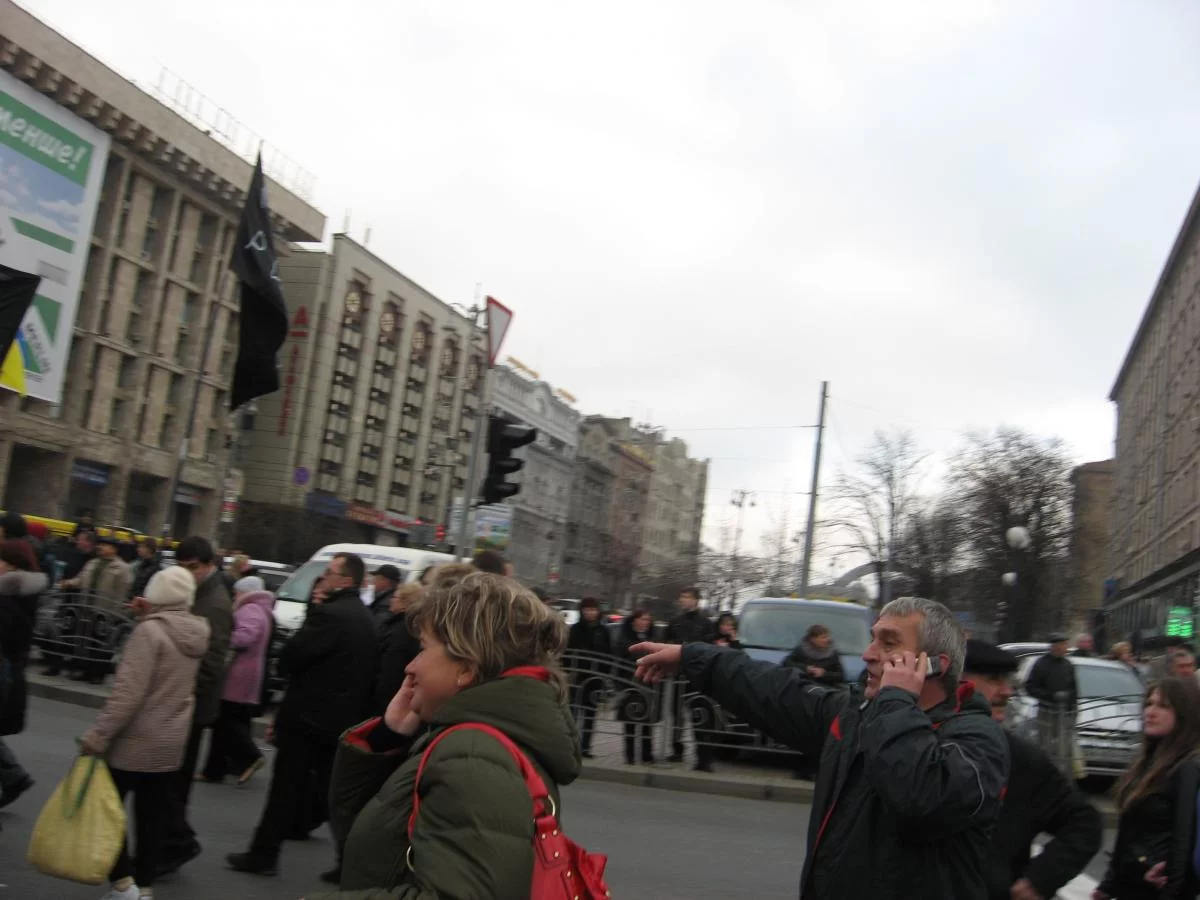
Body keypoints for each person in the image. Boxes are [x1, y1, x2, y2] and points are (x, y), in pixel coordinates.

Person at [634, 596, 1010, 900]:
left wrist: (897, 699)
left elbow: (919, 794)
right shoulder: (855, 716)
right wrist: (692, 657)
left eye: (889, 643)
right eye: (873, 639)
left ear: (935, 665)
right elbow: (774, 690)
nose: (868, 654)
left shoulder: (977, 741)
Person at [308, 572, 580, 899]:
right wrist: (388, 737)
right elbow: (375, 848)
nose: (411, 666)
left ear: (466, 669)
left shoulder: (473, 757)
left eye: (423, 648)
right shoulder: (476, 741)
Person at [227, 551, 378, 883]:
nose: (323, 578)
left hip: (307, 718)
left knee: (286, 787)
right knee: (332, 792)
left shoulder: (330, 615)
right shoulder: (365, 618)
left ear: (346, 580)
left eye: (330, 572)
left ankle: (264, 853)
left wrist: (313, 611)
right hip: (337, 720)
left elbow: (292, 657)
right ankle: (351, 859)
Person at [79, 566, 210, 900]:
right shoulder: (196, 632)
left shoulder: (149, 633)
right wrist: (147, 615)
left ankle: (123, 883)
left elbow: (128, 693)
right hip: (170, 738)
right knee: (152, 818)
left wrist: (99, 735)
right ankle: (145, 885)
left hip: (134, 738)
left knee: (105, 809)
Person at [962, 639, 1102, 900]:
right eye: (993, 679)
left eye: (1006, 681)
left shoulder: (1021, 759)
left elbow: (1084, 822)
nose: (1007, 691)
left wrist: (1040, 880)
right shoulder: (912, 748)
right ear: (957, 683)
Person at [157, 535, 233, 876]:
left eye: (192, 567)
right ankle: (172, 841)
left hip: (191, 705)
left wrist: (181, 694)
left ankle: (176, 842)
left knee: (174, 780)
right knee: (169, 777)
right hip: (183, 702)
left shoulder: (214, 602)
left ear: (208, 565)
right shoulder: (198, 592)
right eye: (182, 567)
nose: (187, 573)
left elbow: (212, 663)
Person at [1095, 677, 1200, 900]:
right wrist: (1108, 884)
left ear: (1183, 714)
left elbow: (1183, 838)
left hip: (1157, 889)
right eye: (1149, 704)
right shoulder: (1146, 762)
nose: (1150, 712)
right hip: (1129, 885)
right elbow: (1128, 831)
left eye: (1163, 706)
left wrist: (1172, 890)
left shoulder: (1187, 767)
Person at [199, 576, 273, 785]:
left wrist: (222, 638)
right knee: (233, 719)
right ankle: (221, 767)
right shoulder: (261, 609)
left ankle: (249, 756)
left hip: (237, 673)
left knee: (226, 719)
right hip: (246, 673)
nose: (234, 596)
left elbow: (245, 637)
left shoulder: (250, 609)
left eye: (237, 592)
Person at [0, 540, 48, 811]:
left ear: (11, 565)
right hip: (12, 670)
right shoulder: (25, 594)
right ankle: (14, 776)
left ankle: (14, 776)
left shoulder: (7, 597)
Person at [665, 587, 716, 771]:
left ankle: (703, 758)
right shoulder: (675, 622)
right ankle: (677, 749)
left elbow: (710, 648)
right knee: (676, 715)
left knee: (700, 715)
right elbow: (666, 644)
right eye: (682, 597)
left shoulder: (705, 623)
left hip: (697, 676)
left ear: (696, 600)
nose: (683, 600)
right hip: (678, 675)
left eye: (687, 597)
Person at [565, 597, 612, 759]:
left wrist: (604, 674)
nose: (590, 613)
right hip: (577, 675)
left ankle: (585, 747)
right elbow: (567, 651)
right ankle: (570, 746)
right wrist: (568, 670)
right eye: (587, 609)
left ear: (598, 611)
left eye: (593, 609)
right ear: (582, 611)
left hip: (595, 677)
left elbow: (608, 653)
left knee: (590, 713)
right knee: (573, 712)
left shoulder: (603, 631)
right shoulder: (575, 629)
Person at [370, 582, 425, 716]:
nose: (391, 600)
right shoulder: (411, 627)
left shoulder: (400, 631)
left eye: (395, 597)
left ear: (405, 603)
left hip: (385, 700)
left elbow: (390, 669)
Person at [1025, 633, 1078, 770]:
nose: (1065, 648)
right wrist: (1051, 696)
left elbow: (1074, 688)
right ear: (1054, 646)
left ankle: (1061, 772)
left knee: (1063, 748)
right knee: (1045, 745)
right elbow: (1030, 687)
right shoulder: (1041, 664)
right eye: (1063, 645)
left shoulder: (1068, 665)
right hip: (1046, 711)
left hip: (1064, 713)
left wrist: (1072, 706)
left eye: (1065, 645)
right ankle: (1044, 771)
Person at [616, 609, 660, 765]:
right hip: (630, 684)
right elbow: (619, 661)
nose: (645, 622)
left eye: (648, 620)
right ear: (634, 620)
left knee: (647, 722)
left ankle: (647, 755)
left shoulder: (653, 639)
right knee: (630, 721)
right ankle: (630, 756)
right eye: (642, 619)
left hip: (648, 684)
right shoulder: (625, 638)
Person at [781, 623, 846, 686]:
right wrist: (806, 668)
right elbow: (786, 663)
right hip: (801, 687)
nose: (827, 640)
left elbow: (841, 676)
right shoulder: (801, 650)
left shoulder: (833, 653)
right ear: (813, 639)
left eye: (827, 637)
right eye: (823, 637)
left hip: (824, 689)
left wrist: (824, 673)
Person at [367, 564, 401, 631]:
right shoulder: (385, 598)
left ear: (385, 581)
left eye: (376, 579)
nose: (373, 582)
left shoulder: (387, 603)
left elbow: (375, 626)